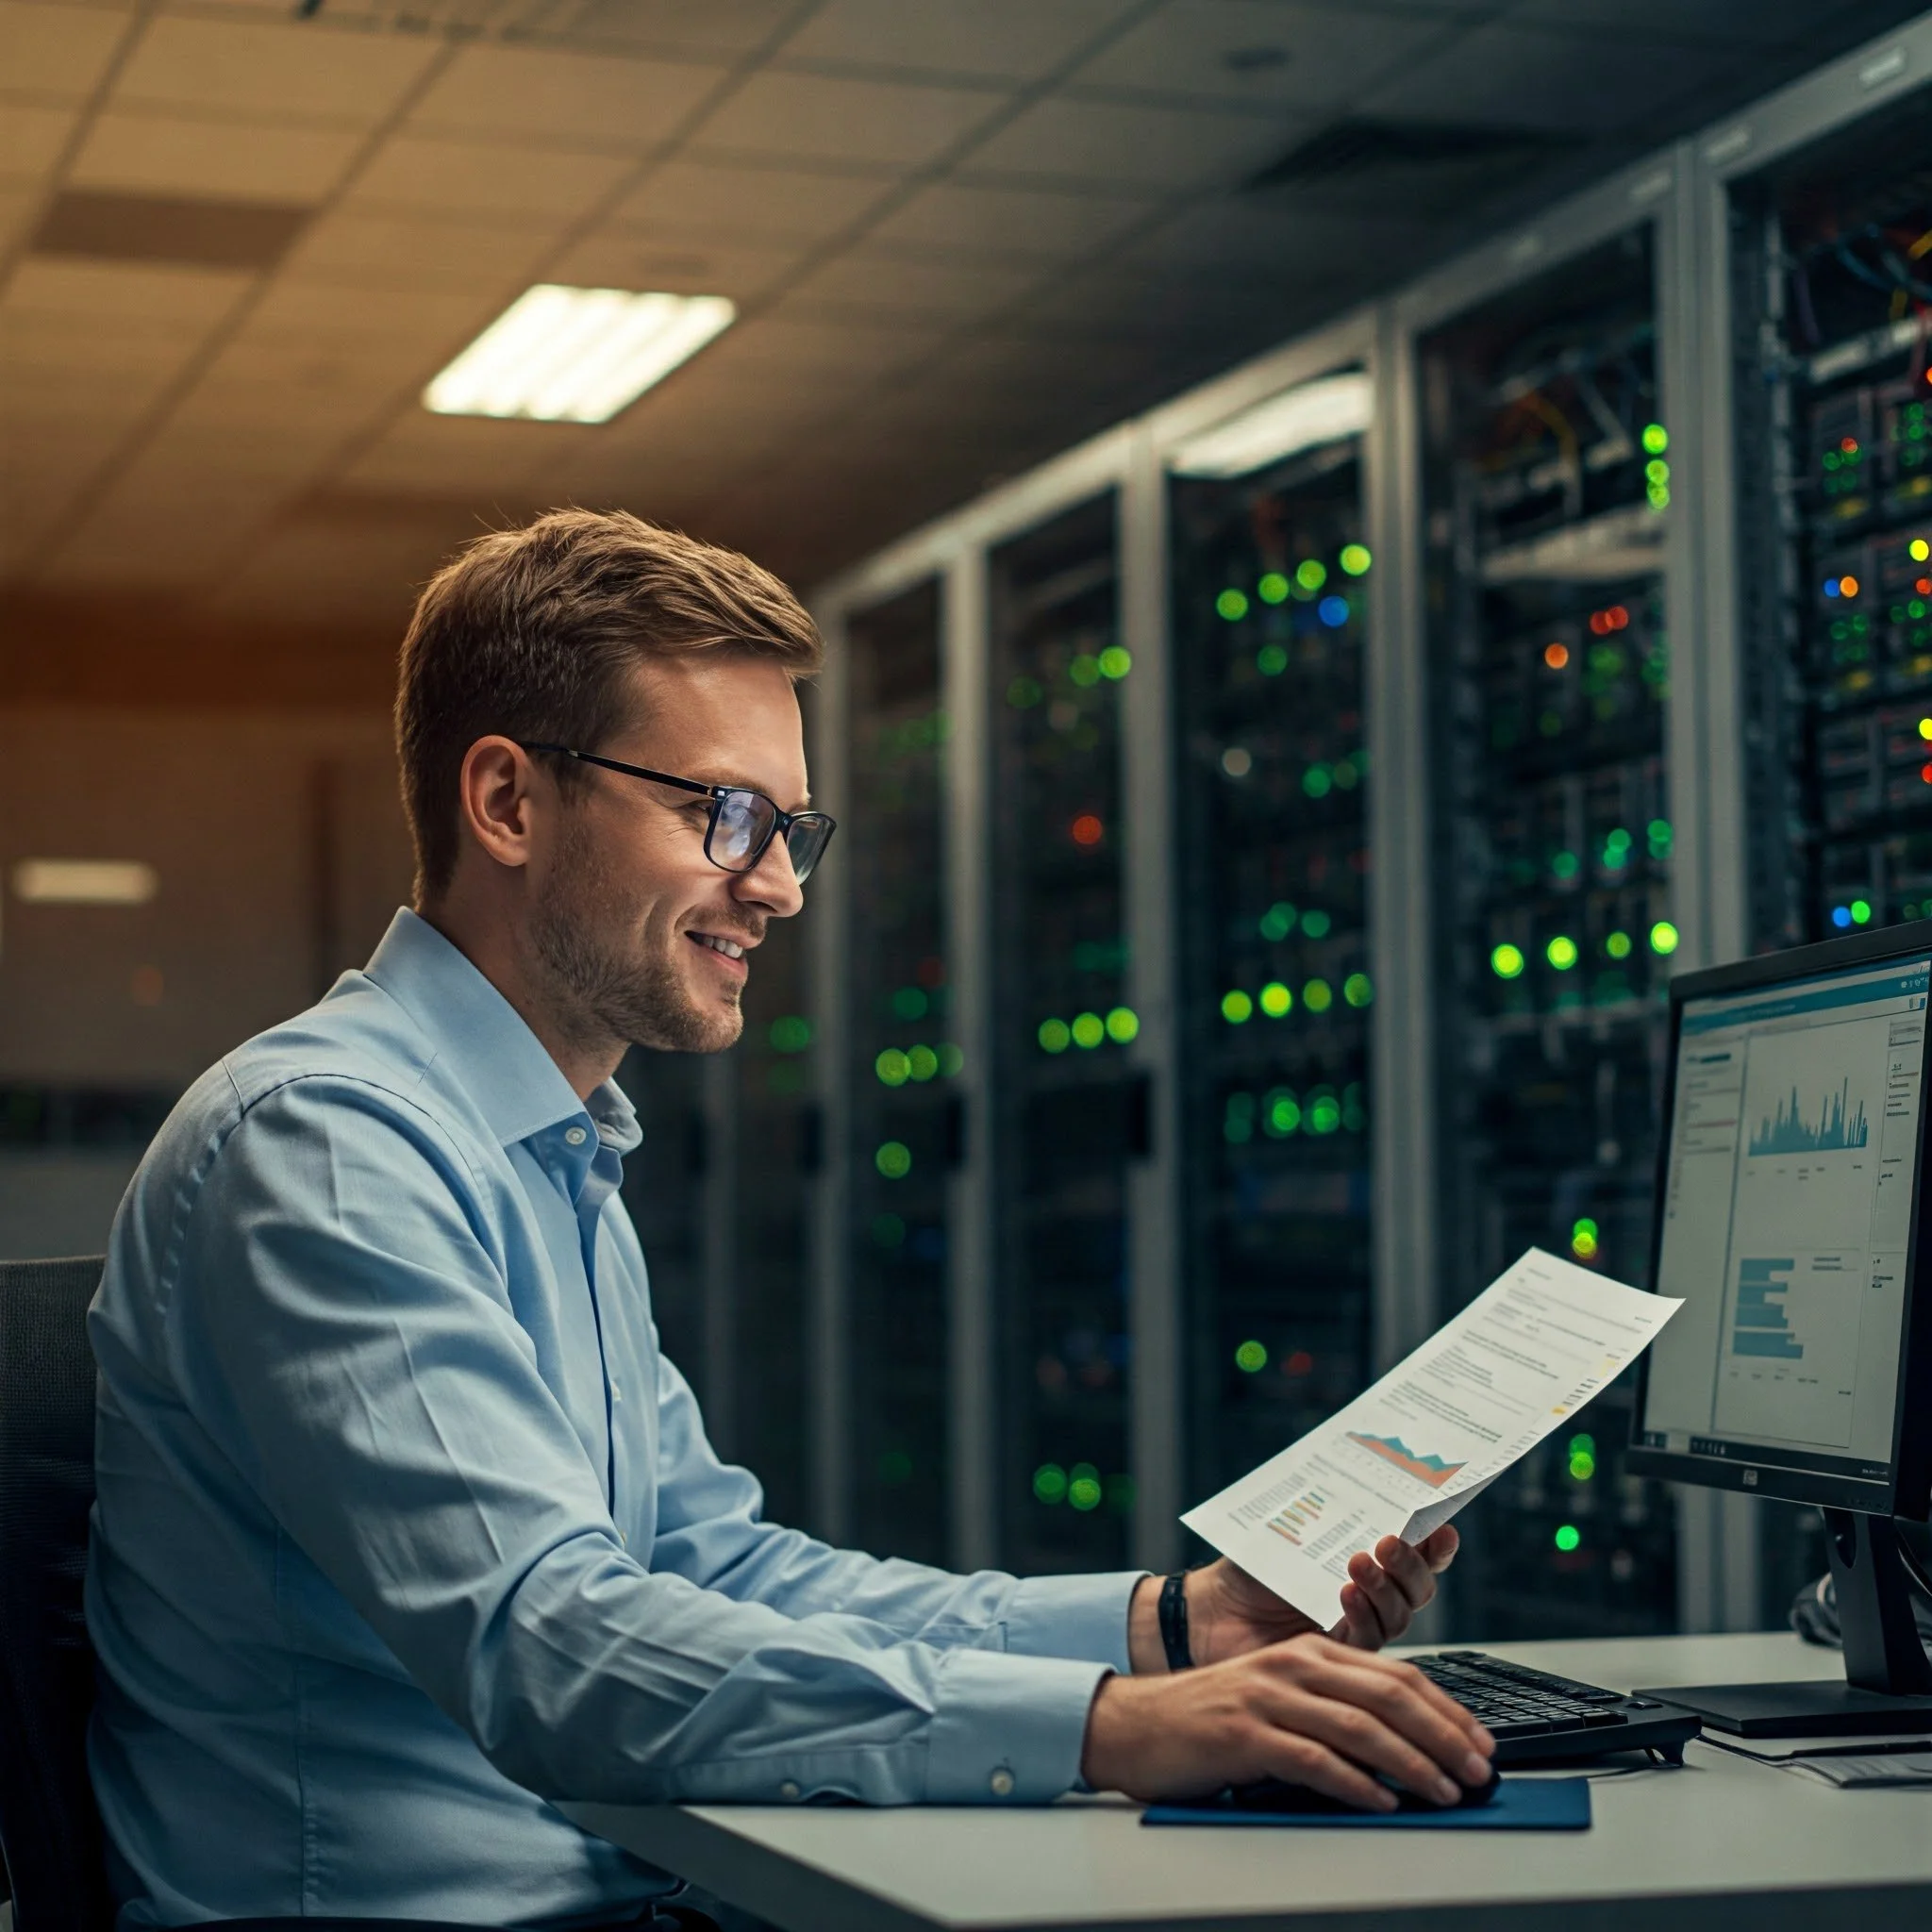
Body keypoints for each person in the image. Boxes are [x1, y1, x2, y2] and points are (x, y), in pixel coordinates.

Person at [86, 509, 1489, 1929]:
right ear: (507, 803)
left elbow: (714, 1569)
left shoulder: (548, 1159)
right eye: (725, 815)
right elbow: (551, 1645)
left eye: (791, 826)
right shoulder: (331, 1146)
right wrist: (1107, 1726)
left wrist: (1168, 1629)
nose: (781, 885)